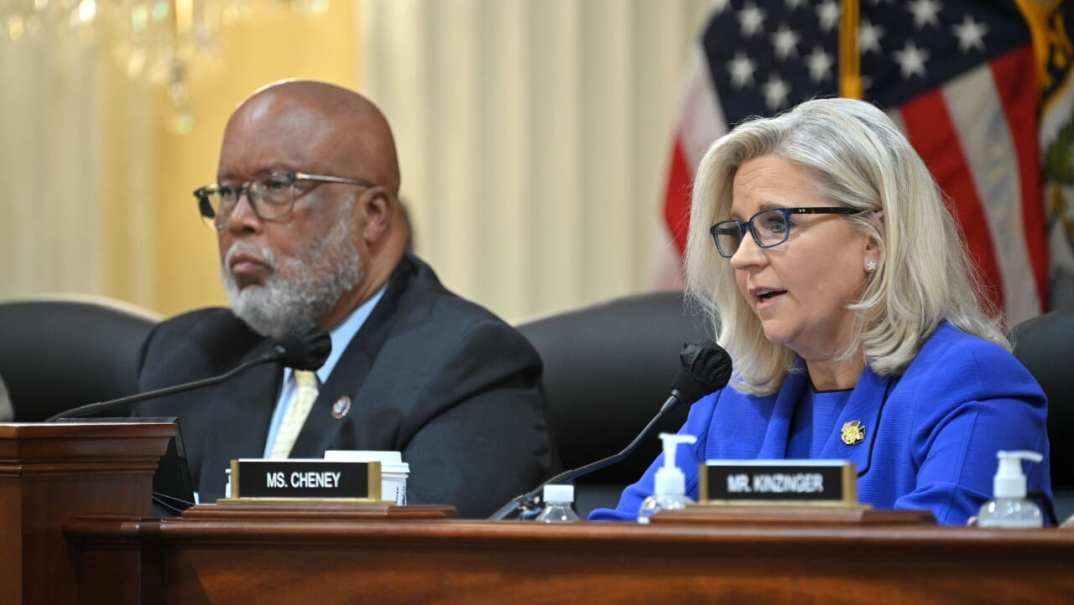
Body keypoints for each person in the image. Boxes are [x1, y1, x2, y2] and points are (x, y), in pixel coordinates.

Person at [591, 98, 1051, 525]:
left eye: (776, 223)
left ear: (873, 239)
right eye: (736, 231)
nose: (743, 257)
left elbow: (934, 574)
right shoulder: (731, 405)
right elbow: (616, 555)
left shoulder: (971, 385)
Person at [134, 80, 557, 518]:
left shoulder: (468, 367)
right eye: (227, 192)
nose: (238, 219)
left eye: (275, 187)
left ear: (371, 215)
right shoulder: (186, 360)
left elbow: (437, 573)